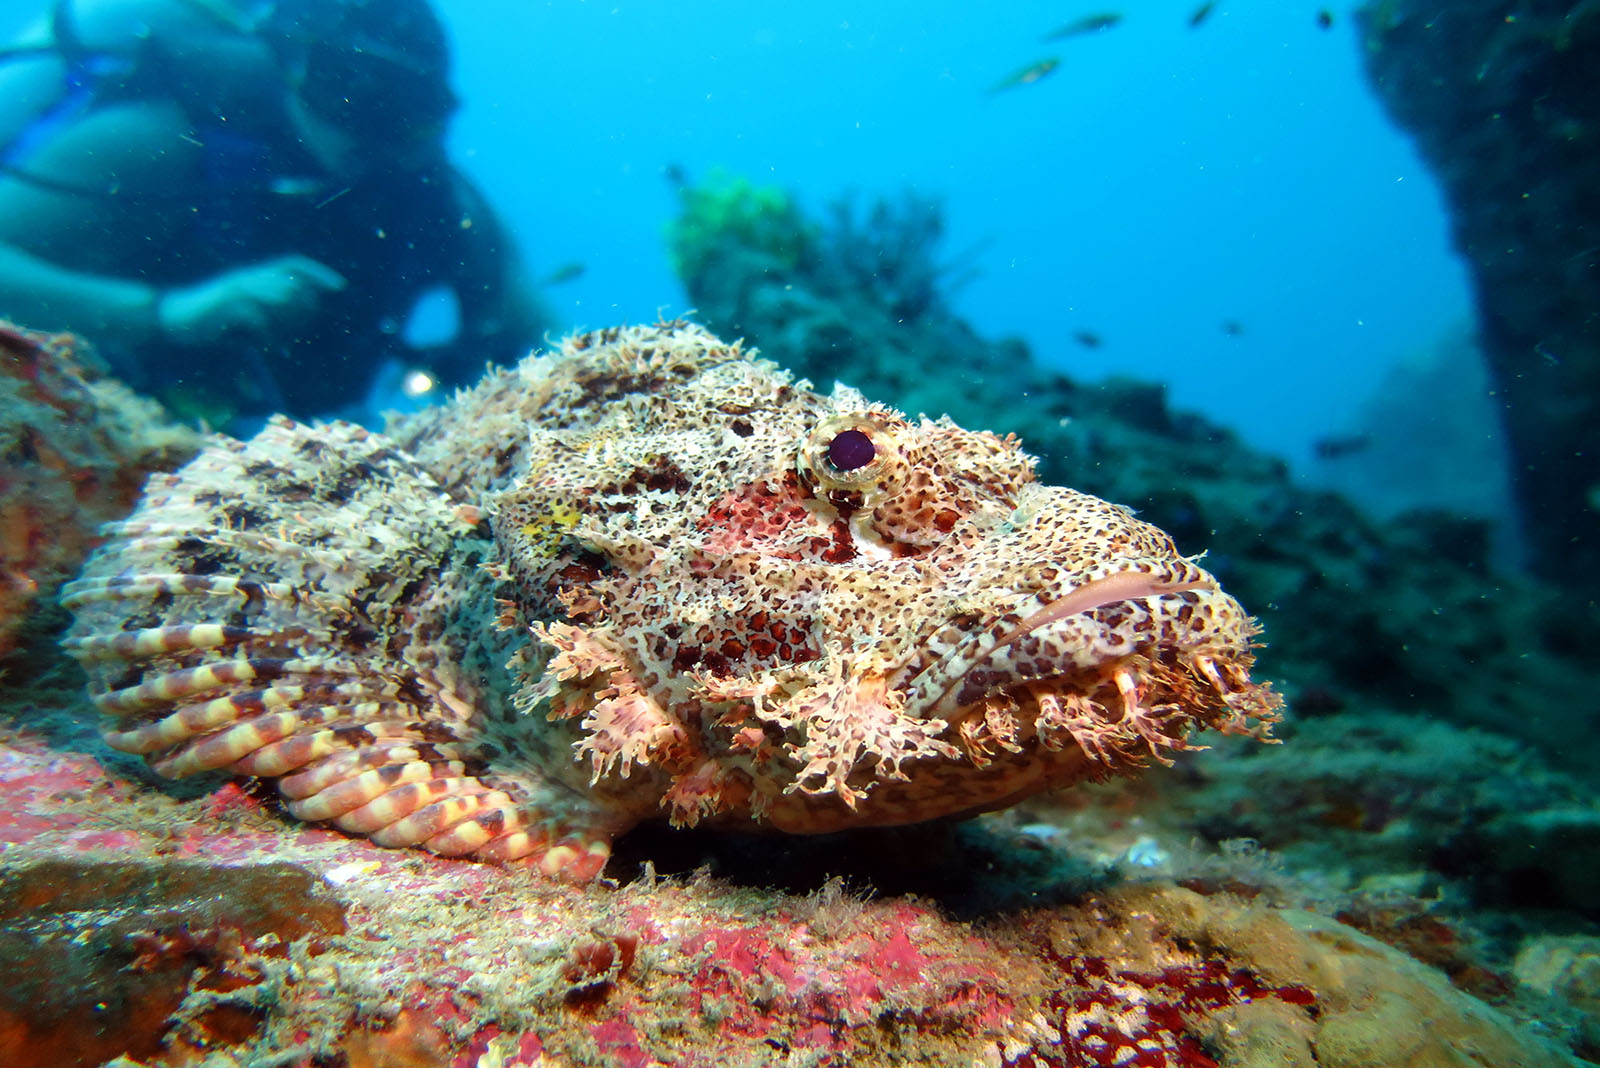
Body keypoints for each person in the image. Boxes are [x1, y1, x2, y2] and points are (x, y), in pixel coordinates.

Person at [0, 0, 546, 425]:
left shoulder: (441, 206)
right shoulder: (162, 147)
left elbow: (544, 346)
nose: (368, 121)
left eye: (404, 104)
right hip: (113, 442)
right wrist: (164, 314)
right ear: (285, 62)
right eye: (344, 84)